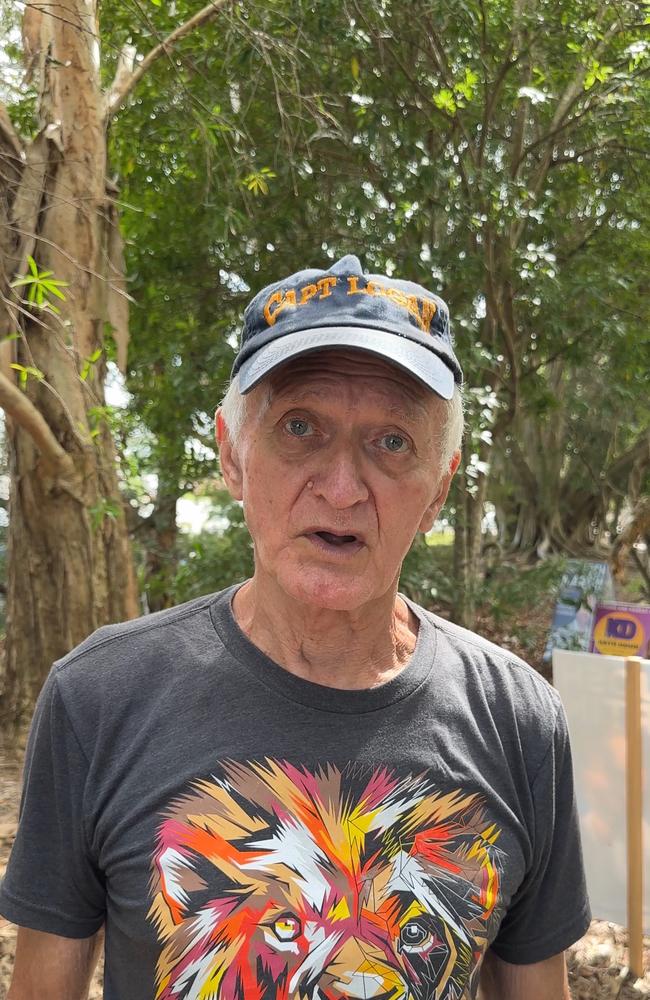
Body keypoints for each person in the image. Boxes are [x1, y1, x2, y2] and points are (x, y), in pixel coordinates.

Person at [0, 254, 590, 999]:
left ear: (439, 489)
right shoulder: (97, 698)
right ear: (232, 456)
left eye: (392, 442)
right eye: (300, 427)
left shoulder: (518, 721)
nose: (342, 488)